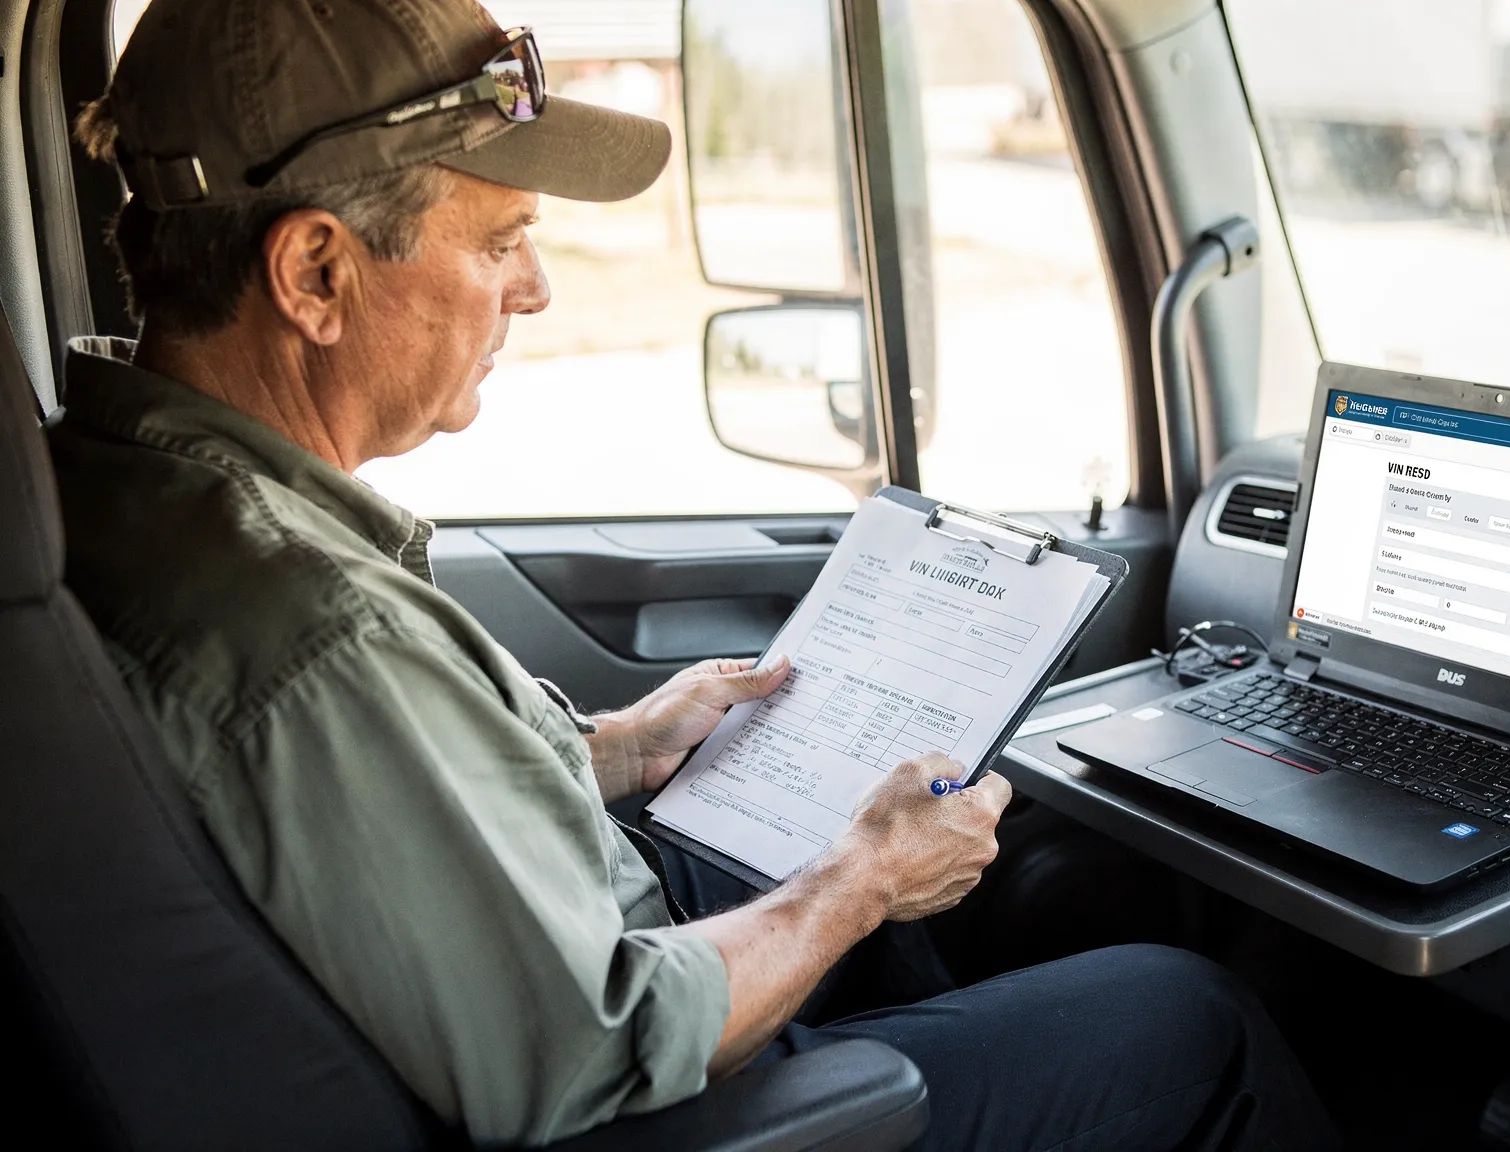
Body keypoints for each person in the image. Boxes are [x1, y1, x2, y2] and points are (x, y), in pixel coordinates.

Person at [48, 1, 1341, 1147]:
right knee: (1191, 1018)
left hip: (574, 1003)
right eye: (499, 243)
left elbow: (364, 821)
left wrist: (611, 749)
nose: (538, 288)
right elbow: (585, 1044)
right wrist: (862, 881)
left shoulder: (129, 492)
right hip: (649, 1098)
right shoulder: (307, 626)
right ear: (316, 273)